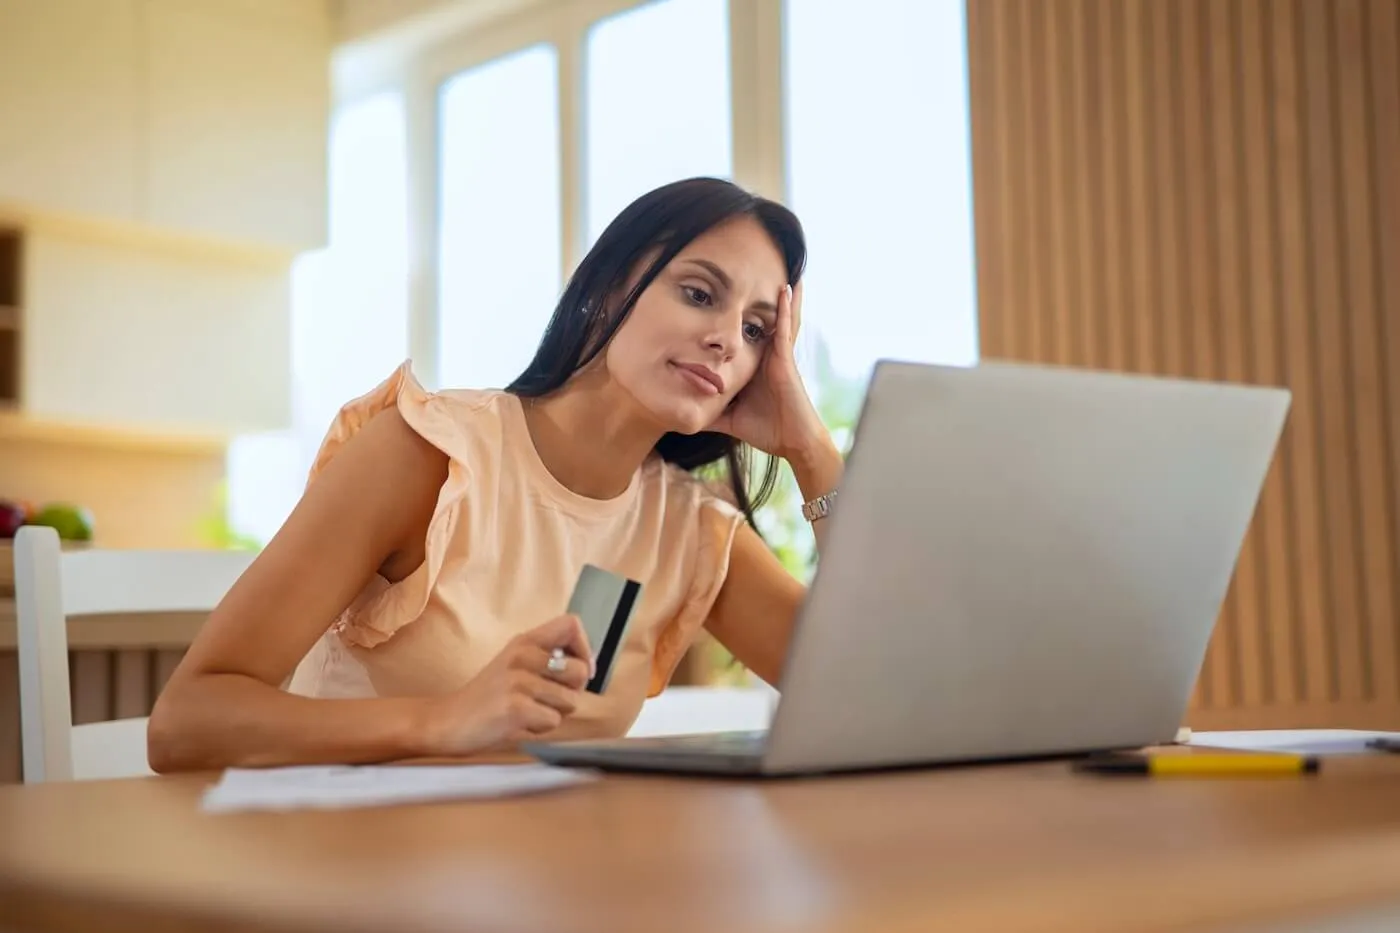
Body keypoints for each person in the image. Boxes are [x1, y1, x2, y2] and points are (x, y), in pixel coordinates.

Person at [147, 177, 845, 772]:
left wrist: (811, 450)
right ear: (609, 288)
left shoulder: (688, 531)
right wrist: (441, 721)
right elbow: (186, 720)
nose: (727, 337)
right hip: (346, 868)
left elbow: (866, 697)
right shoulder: (429, 455)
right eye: (699, 293)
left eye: (758, 330)